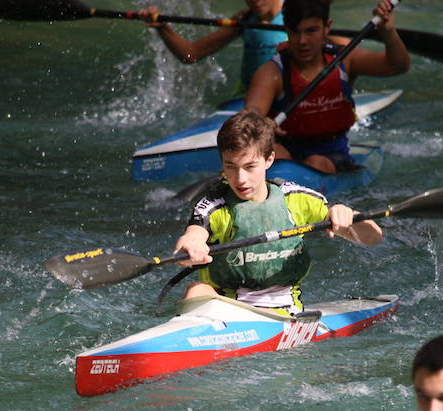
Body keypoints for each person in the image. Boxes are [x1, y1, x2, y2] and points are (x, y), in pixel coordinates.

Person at [173, 110, 382, 314]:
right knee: (196, 291)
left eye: (249, 167)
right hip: (228, 309)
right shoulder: (213, 205)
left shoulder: (296, 199)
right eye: (231, 166)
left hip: (285, 311)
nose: (240, 178)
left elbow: (373, 238)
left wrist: (346, 216)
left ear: (269, 160)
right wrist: (191, 246)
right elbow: (192, 236)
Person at [244, 0, 410, 173]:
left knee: (316, 163)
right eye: (295, 32)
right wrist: (259, 122)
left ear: (327, 27)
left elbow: (397, 66)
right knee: (274, 154)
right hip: (285, 151)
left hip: (331, 155)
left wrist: (388, 32)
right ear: (287, 30)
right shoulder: (271, 72)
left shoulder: (345, 59)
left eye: (311, 31)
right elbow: (252, 110)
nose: (302, 41)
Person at [138, 0, 286, 94]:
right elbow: (191, 54)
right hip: (250, 97)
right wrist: (162, 28)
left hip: (286, 96)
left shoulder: (297, 16)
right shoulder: (245, 19)